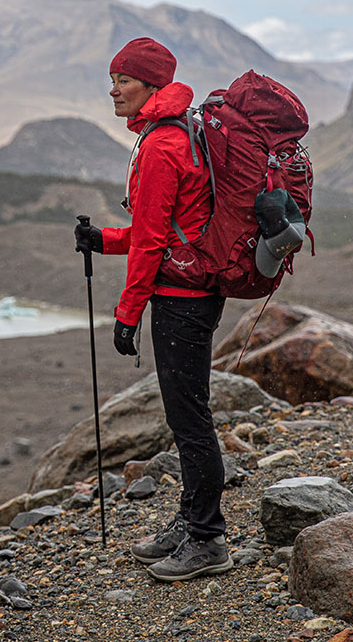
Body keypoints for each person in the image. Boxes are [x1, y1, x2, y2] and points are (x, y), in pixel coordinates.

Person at [74, 37, 232, 582]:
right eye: (113, 78)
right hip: (186, 290)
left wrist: (126, 312)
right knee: (187, 414)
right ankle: (191, 521)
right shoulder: (175, 132)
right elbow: (152, 232)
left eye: (123, 80)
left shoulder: (163, 146)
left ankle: (208, 539)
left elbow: (150, 244)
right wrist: (102, 240)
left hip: (181, 299)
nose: (113, 89)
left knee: (190, 419)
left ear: (151, 85)